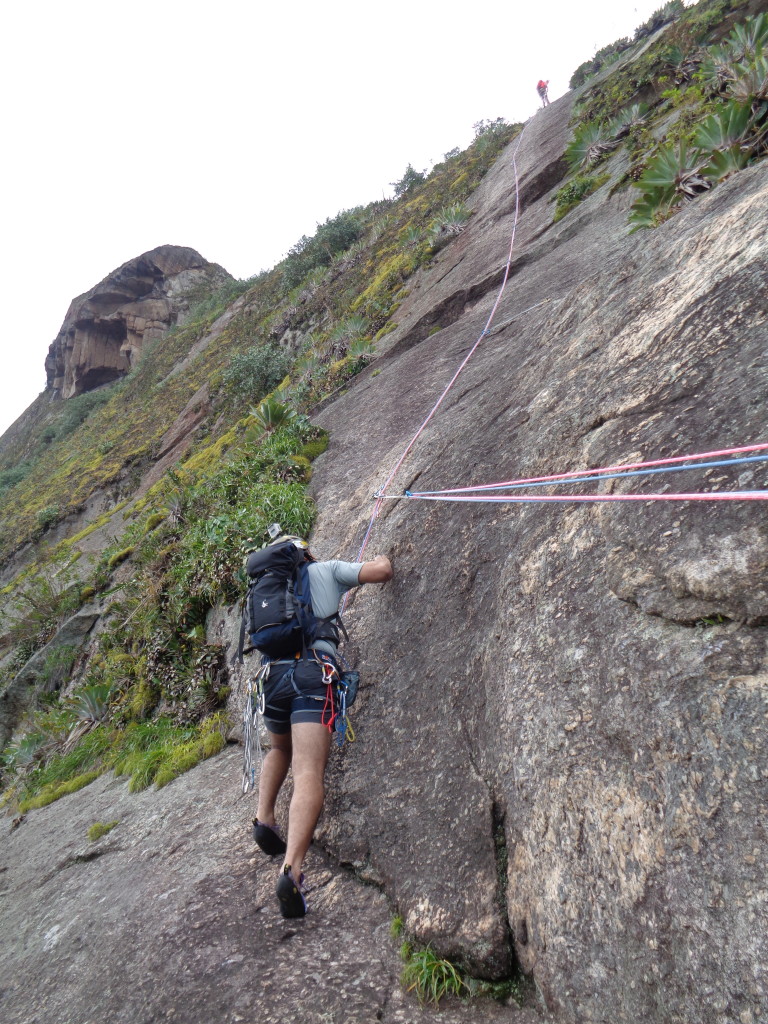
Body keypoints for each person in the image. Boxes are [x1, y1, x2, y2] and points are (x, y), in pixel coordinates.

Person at [251, 538, 393, 918]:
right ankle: (292, 869)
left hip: (272, 677)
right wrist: (384, 555)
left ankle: (264, 819)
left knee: (280, 749)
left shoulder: (264, 592)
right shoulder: (325, 570)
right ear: (305, 553)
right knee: (309, 770)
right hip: (314, 675)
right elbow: (381, 572)